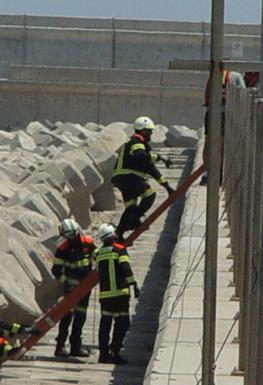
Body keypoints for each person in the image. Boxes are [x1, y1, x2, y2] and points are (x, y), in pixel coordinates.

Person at [111, 116, 175, 241]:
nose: (151, 134)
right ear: (143, 131)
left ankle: (119, 234)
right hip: (129, 177)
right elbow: (141, 156)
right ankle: (133, 221)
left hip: (122, 179)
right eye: (149, 131)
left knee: (131, 207)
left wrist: (167, 186)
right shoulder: (136, 142)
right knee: (149, 194)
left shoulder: (136, 144)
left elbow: (151, 169)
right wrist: (159, 157)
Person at [94, 223, 139, 364]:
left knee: (105, 325)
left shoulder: (98, 254)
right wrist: (134, 285)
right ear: (113, 235)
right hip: (120, 294)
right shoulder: (119, 250)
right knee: (123, 323)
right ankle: (114, 351)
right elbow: (125, 268)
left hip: (105, 296)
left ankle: (103, 354)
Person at [51, 218, 96, 358]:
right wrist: (67, 281)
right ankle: (60, 347)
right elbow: (56, 271)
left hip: (85, 286)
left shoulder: (88, 243)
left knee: (80, 316)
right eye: (68, 237)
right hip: (71, 288)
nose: (71, 239)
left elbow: (97, 256)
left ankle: (76, 347)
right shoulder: (62, 248)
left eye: (73, 236)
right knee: (66, 316)